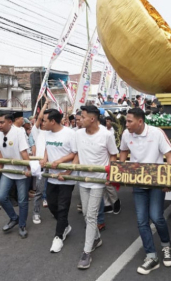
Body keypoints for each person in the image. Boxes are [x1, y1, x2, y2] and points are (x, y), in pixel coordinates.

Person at [119, 107, 171, 275]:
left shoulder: (156, 133)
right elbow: (123, 151)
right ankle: (151, 256)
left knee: (157, 217)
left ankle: (166, 246)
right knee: (141, 220)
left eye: (129, 121)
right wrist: (121, 169)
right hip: (138, 183)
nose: (126, 124)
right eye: (126, 121)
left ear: (140, 121)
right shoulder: (126, 135)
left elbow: (170, 156)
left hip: (157, 183)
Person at [74, 105, 118, 269]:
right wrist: (69, 170)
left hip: (98, 181)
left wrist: (110, 175)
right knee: (86, 214)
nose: (80, 119)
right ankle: (97, 238)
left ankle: (86, 253)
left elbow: (113, 155)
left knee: (91, 216)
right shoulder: (78, 134)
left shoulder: (106, 135)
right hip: (82, 180)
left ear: (92, 119)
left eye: (83, 117)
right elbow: (77, 153)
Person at [40, 109, 77, 253]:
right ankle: (65, 226)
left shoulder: (70, 134)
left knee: (62, 207)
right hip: (53, 177)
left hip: (67, 178)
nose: (42, 123)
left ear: (53, 121)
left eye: (44, 120)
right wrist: (44, 159)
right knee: (52, 205)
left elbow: (75, 153)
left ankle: (58, 237)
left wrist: (67, 172)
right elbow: (48, 149)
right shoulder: (47, 133)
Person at [0, 113, 31, 239]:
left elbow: (24, 151)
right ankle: (14, 218)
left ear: (10, 122)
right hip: (8, 170)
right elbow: (0, 152)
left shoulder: (19, 132)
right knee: (1, 196)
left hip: (21, 171)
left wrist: (29, 168)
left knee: (22, 200)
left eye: (1, 122)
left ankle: (22, 225)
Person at [32, 101, 50, 224]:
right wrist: (45, 105)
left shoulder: (52, 133)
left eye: (45, 121)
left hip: (52, 164)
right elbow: (39, 117)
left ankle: (56, 211)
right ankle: (36, 213)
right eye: (42, 121)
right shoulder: (36, 131)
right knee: (39, 191)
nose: (43, 122)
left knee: (53, 190)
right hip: (40, 165)